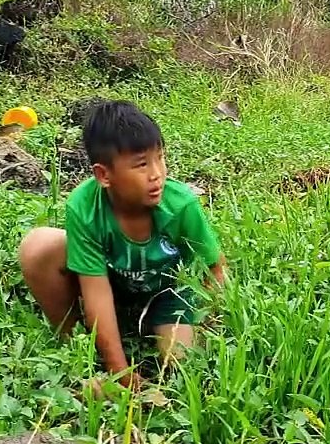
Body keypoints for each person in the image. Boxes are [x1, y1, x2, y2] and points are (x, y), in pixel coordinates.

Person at [19, 100, 226, 391]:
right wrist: (120, 371)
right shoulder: (84, 207)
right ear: (104, 175)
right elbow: (96, 290)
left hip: (168, 292)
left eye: (160, 158)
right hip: (113, 284)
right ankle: (74, 341)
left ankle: (161, 327)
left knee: (182, 363)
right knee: (38, 246)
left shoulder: (181, 205)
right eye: (141, 164)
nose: (157, 173)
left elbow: (215, 268)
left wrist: (206, 321)